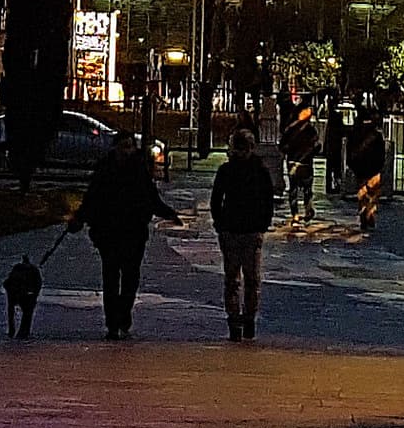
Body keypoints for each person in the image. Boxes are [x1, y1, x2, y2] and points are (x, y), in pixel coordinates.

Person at [66, 130, 181, 338]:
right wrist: (80, 218)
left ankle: (123, 313)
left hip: (133, 232)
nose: (127, 151)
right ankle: (112, 322)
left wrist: (168, 213)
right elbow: (92, 198)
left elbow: (151, 198)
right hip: (108, 232)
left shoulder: (139, 171)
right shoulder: (105, 170)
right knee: (111, 277)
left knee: (130, 277)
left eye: (130, 146)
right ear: (115, 148)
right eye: (123, 146)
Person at [209, 127, 278, 339]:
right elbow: (268, 200)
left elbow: (216, 200)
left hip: (237, 229)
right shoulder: (259, 170)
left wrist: (220, 223)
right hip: (243, 230)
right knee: (249, 278)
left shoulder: (228, 171)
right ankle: (246, 320)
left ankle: (239, 321)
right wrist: (262, 224)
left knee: (236, 279)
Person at [281, 105, 322, 219]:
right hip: (305, 163)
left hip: (294, 162)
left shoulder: (290, 129)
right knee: (306, 189)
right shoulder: (310, 129)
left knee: (294, 189)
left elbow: (282, 146)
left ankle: (296, 214)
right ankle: (307, 210)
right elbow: (317, 146)